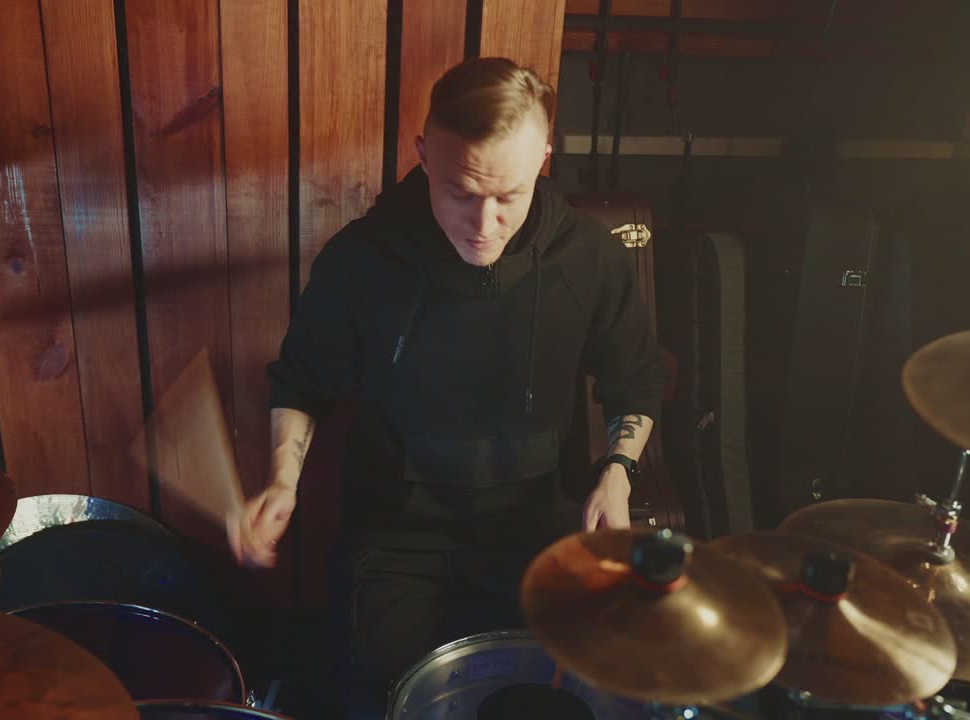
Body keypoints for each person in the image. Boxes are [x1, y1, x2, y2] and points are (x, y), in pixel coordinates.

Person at [228, 57, 666, 717]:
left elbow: (634, 381)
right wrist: (284, 481)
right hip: (395, 533)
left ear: (544, 162)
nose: (484, 223)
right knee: (378, 699)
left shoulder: (591, 258)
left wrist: (618, 471)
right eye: (461, 191)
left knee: (560, 696)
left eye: (508, 197)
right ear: (423, 155)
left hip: (534, 521)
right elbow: (302, 381)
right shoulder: (361, 258)